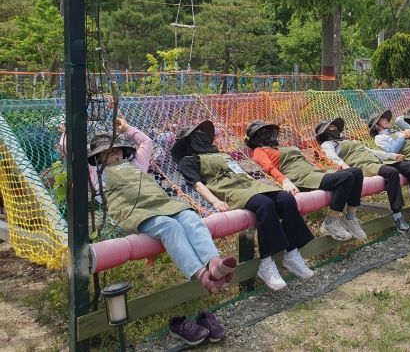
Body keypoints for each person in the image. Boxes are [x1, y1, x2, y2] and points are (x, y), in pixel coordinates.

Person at [69, 118, 237, 297]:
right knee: (169, 226)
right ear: (98, 158)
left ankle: (213, 262)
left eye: (116, 149)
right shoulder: (96, 175)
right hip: (135, 212)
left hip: (164, 204)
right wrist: (68, 132)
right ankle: (202, 275)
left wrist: (127, 128)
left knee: (191, 218)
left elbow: (146, 142)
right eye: (107, 152)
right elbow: (70, 152)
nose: (113, 154)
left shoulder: (136, 164)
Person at [172, 120, 315, 291]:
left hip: (249, 185)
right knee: (265, 204)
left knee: (286, 199)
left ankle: (292, 253)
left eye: (203, 135)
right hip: (229, 190)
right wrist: (216, 201)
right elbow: (197, 184)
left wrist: (260, 184)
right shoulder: (188, 161)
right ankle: (266, 262)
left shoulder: (222, 154)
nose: (202, 137)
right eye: (197, 136)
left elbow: (240, 172)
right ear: (189, 142)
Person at [246, 120, 366, 242]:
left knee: (356, 172)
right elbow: (269, 168)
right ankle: (331, 222)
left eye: (268, 130)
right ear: (255, 139)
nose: (268, 133)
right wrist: (285, 181)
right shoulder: (259, 151)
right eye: (262, 132)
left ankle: (350, 218)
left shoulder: (282, 146)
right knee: (346, 177)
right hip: (300, 177)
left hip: (313, 172)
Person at [315, 117, 410, 233]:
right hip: (364, 166)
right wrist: (343, 165)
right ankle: (397, 215)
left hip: (377, 162)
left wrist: (392, 156)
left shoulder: (348, 140)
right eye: (331, 127)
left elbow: (371, 151)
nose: (335, 128)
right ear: (325, 132)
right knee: (391, 172)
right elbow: (332, 156)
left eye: (335, 127)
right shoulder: (328, 144)